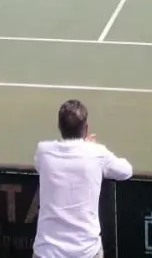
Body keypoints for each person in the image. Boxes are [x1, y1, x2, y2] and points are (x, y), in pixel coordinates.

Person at [33, 100, 132, 258]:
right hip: (86, 252)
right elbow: (126, 171)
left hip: (47, 252)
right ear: (86, 129)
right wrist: (88, 146)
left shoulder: (43, 151)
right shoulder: (97, 153)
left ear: (59, 126)